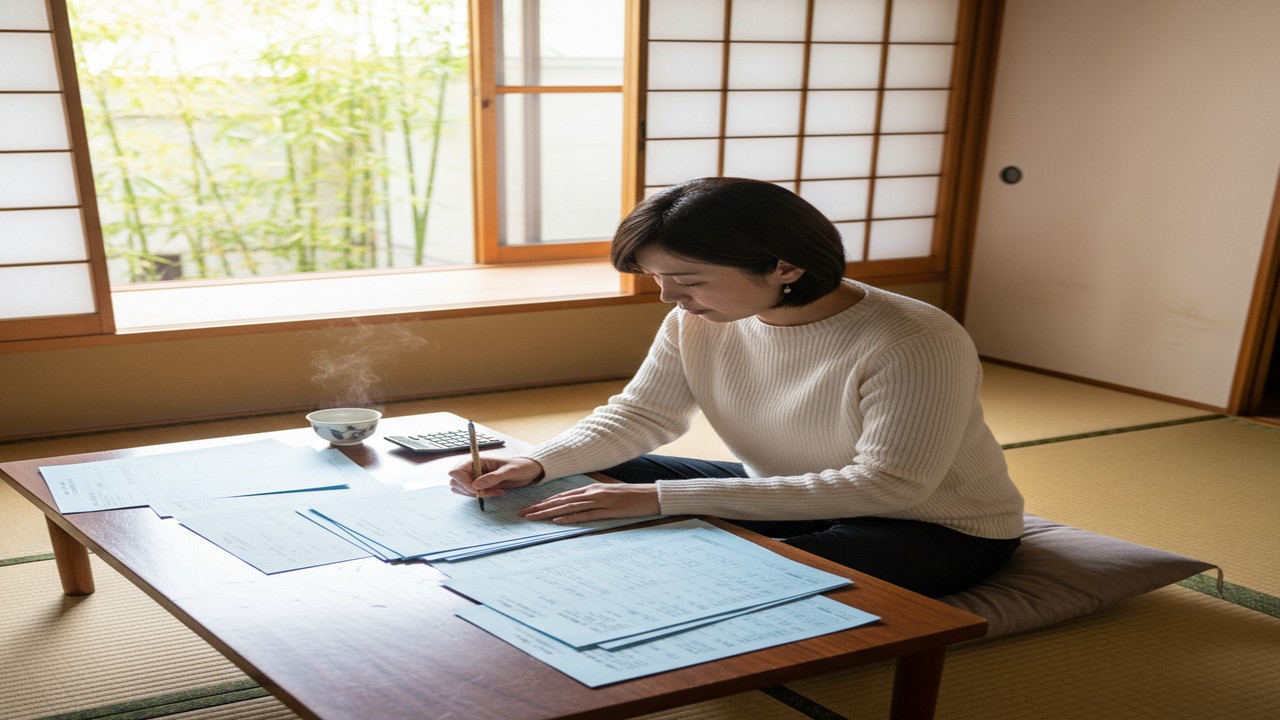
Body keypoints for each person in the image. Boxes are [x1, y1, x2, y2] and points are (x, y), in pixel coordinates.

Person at [450, 176, 1024, 597]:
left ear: (787, 268)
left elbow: (888, 486)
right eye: (658, 279)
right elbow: (643, 414)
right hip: (787, 489)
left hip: (930, 526)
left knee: (717, 577)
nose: (669, 298)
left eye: (689, 281)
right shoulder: (696, 319)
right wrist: (537, 463)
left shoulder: (913, 338)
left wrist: (660, 500)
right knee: (588, 474)